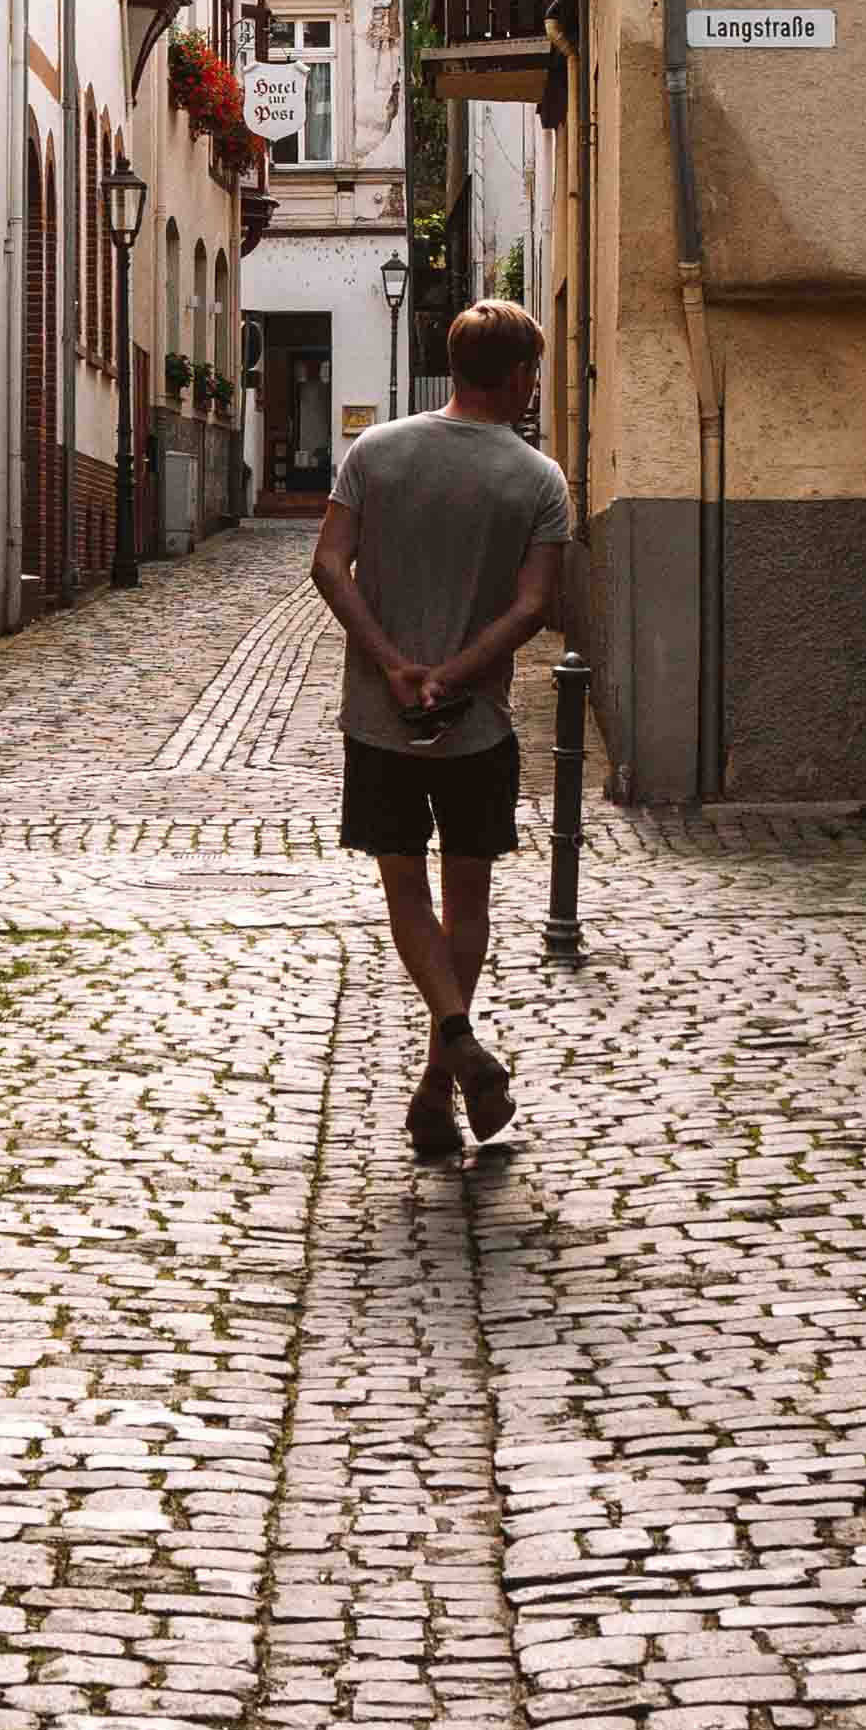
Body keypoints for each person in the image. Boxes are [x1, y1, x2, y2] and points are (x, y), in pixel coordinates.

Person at [308, 295, 572, 1162]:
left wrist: (392, 663)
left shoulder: (376, 451)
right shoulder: (537, 478)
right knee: (468, 901)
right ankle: (438, 1081)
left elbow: (327, 565)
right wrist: (455, 674)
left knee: (403, 891)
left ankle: (444, 1065)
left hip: (380, 716)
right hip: (476, 724)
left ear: (454, 365)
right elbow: (534, 606)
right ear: (523, 374)